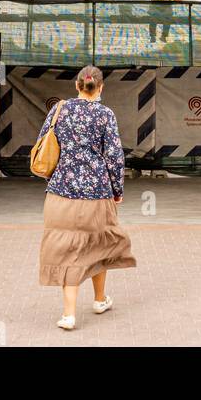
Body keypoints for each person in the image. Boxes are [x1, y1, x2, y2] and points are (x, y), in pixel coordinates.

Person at [37, 65, 137, 330]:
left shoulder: (59, 110)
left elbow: (44, 146)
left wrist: (56, 179)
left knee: (67, 250)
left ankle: (69, 314)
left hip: (60, 193)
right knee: (99, 244)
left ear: (76, 85)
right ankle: (99, 299)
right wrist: (117, 191)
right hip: (97, 193)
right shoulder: (105, 114)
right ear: (101, 87)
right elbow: (115, 157)